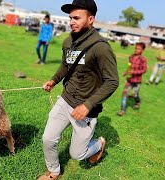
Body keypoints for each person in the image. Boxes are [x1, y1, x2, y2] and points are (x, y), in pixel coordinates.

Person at [38, 0, 119, 179]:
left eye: (76, 18)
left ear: (91, 19)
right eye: (70, 18)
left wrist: (87, 105)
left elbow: (112, 81)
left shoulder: (100, 48)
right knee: (48, 139)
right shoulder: (69, 41)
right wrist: (54, 80)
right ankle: (54, 171)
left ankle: (99, 144)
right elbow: (66, 65)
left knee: (77, 155)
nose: (71, 21)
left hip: (85, 110)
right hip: (66, 99)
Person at [117, 42, 147, 116]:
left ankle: (137, 102)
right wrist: (126, 72)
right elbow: (129, 67)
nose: (137, 50)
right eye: (136, 48)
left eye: (139, 49)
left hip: (137, 81)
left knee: (135, 94)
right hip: (129, 80)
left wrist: (134, 72)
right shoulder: (131, 57)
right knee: (125, 93)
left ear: (143, 50)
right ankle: (122, 110)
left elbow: (144, 70)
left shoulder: (143, 59)